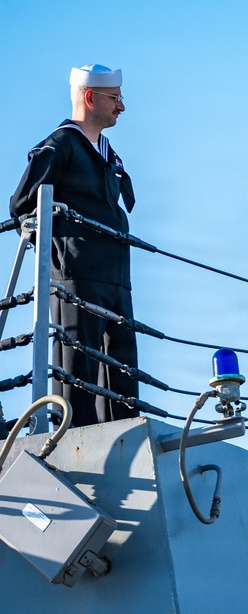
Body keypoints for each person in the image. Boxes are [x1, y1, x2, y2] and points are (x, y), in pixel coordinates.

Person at [10, 63, 137, 427]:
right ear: (89, 97)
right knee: (77, 371)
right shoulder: (61, 145)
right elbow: (22, 205)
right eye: (115, 99)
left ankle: (124, 436)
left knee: (123, 376)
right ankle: (73, 440)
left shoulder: (110, 155)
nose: (121, 107)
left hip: (117, 280)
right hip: (77, 278)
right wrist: (59, 249)